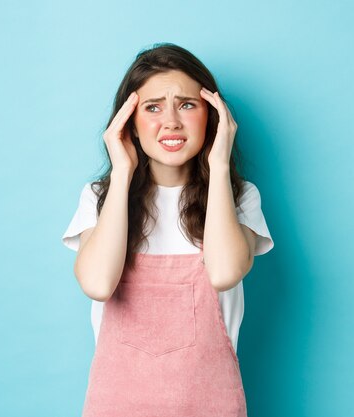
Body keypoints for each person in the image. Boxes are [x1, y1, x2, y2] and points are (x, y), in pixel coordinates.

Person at [61, 43, 273, 416]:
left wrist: (220, 164)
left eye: (187, 105)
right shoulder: (100, 198)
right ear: (129, 120)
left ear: (213, 116)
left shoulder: (240, 197)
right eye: (153, 107)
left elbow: (224, 274)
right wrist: (123, 171)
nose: (171, 121)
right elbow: (97, 284)